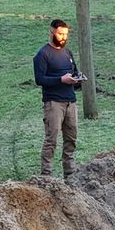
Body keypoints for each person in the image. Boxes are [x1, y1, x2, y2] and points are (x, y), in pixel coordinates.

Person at [34, 19, 82, 177]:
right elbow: (40, 80)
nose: (63, 37)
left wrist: (77, 80)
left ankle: (70, 174)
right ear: (51, 32)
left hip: (70, 102)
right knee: (51, 140)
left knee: (71, 139)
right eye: (60, 34)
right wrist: (61, 80)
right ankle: (46, 176)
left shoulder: (68, 53)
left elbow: (74, 71)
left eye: (66, 34)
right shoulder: (42, 55)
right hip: (53, 103)